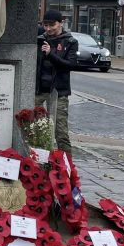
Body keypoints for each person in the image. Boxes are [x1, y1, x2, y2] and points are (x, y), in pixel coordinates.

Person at [35, 8, 78, 153]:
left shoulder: (70, 41)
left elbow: (70, 65)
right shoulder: (39, 38)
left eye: (52, 25)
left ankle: (67, 168)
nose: (48, 29)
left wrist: (50, 54)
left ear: (61, 23)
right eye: (45, 25)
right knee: (31, 126)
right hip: (39, 90)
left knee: (60, 132)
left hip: (59, 91)